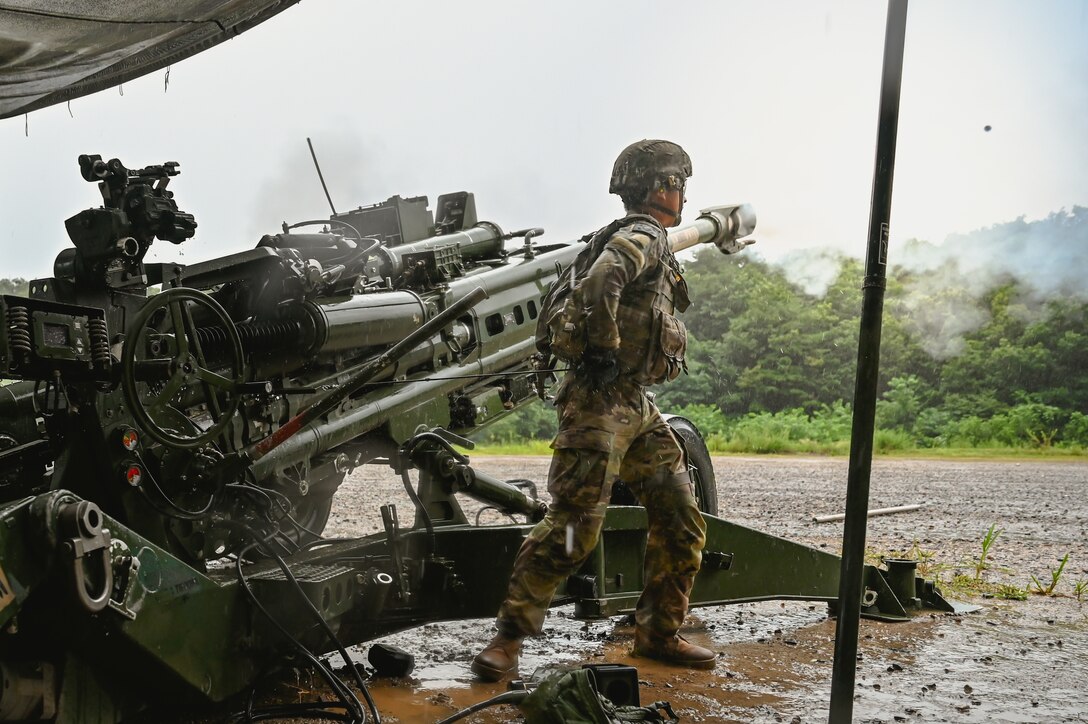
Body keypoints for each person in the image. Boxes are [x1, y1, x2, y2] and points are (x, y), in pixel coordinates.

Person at [471, 139, 714, 682]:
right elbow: (605, 279)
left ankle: (658, 633)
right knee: (574, 526)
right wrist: (603, 348)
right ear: (661, 187)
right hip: (600, 403)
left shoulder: (636, 236)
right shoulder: (643, 235)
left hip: (634, 405)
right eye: (678, 184)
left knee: (680, 520)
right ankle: (507, 641)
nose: (681, 194)